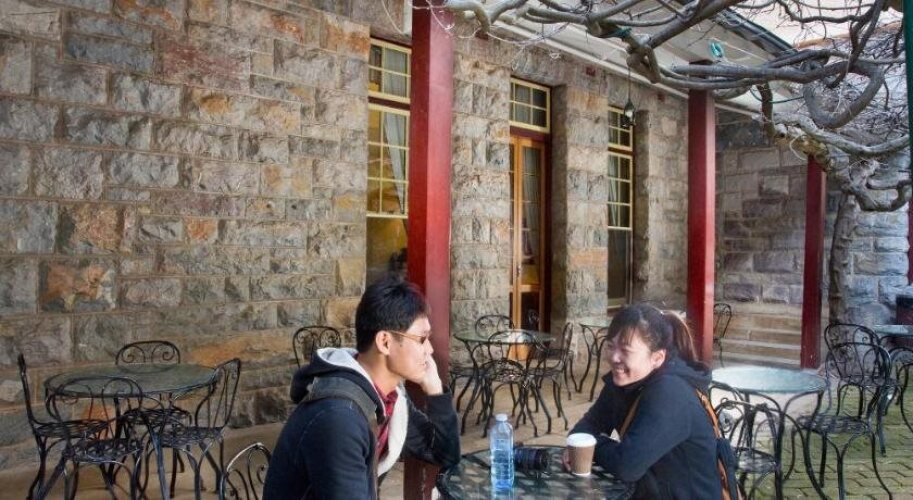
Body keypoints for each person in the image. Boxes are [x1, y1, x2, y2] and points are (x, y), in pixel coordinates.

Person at [263, 275, 461, 499]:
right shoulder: (339, 416)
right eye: (422, 339)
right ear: (385, 342)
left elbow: (445, 455)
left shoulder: (389, 399)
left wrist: (435, 391)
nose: (430, 350)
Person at [568, 303, 719, 499]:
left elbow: (626, 465)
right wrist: (584, 442)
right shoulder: (623, 382)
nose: (614, 358)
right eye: (610, 346)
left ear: (657, 358)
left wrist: (587, 447)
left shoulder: (671, 393)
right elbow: (585, 427)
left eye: (626, 350)